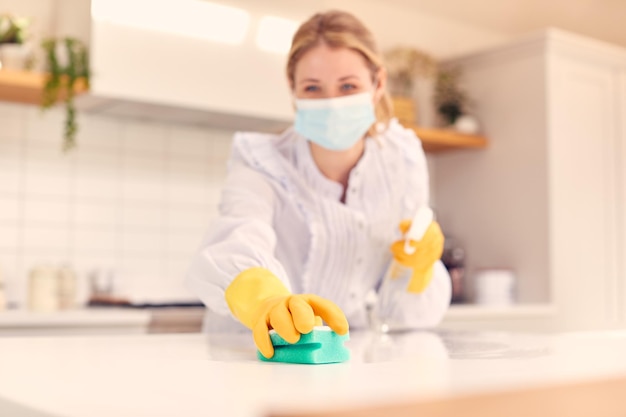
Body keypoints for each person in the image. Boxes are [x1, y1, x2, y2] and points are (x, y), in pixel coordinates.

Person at [186, 10, 451, 359]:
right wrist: (265, 298)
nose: (331, 103)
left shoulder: (401, 158)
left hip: (343, 350)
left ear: (378, 84)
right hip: (252, 349)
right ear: (293, 90)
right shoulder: (260, 160)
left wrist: (418, 269)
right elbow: (239, 234)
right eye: (313, 87)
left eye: (348, 86)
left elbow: (399, 313)